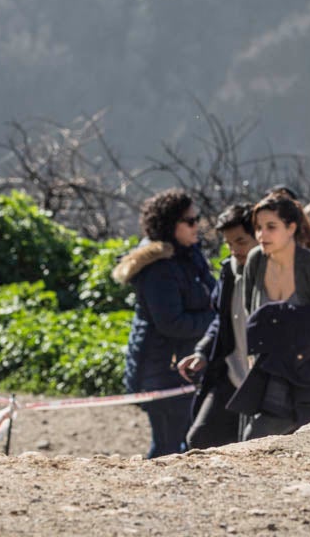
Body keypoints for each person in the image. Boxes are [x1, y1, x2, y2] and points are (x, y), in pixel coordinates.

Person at [112, 189, 217, 458]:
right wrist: (218, 320)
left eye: (198, 219)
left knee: (184, 442)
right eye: (191, 221)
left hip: (183, 366)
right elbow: (173, 323)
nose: (198, 226)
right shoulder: (159, 267)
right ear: (171, 225)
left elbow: (213, 295)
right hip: (161, 369)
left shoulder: (189, 254)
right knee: (168, 446)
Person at [228, 193, 310, 439]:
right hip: (264, 366)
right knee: (253, 436)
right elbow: (251, 308)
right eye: (258, 228)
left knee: (257, 436)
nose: (261, 235)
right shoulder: (256, 260)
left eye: (270, 227)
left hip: (305, 370)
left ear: (291, 228)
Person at [177, 203, 258, 449]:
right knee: (200, 439)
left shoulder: (278, 273)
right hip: (230, 376)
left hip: (263, 382)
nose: (235, 250)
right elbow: (221, 320)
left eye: (241, 241)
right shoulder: (229, 272)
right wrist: (202, 352)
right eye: (229, 244)